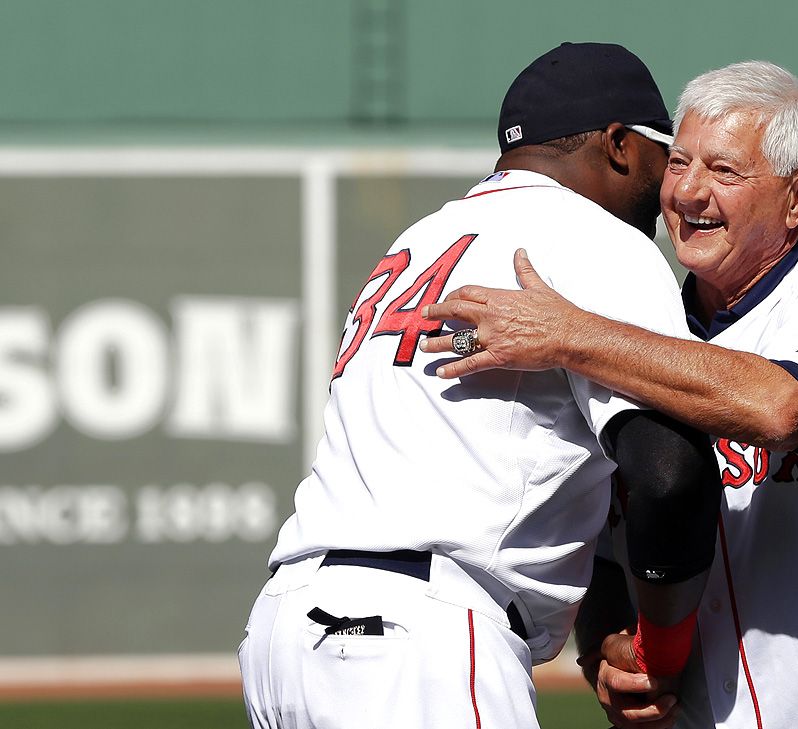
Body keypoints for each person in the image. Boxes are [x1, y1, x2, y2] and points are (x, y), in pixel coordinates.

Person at [420, 61, 798, 728]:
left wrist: (568, 334)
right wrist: (602, 644)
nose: (687, 191)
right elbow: (601, 527)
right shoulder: (643, 328)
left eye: (724, 172)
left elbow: (776, 408)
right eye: (680, 162)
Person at [238, 42, 722, 729]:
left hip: (286, 633)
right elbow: (669, 472)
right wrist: (659, 649)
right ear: (619, 145)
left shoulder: (417, 242)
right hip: (417, 641)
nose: (671, 181)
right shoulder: (595, 237)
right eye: (663, 155)